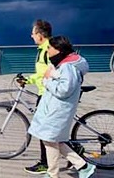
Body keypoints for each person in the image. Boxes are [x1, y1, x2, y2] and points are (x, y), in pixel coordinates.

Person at [28, 36, 96, 178]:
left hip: (58, 109)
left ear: (58, 49)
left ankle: (55, 173)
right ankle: (82, 166)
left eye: (49, 48)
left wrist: (47, 80)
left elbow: (64, 90)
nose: (47, 50)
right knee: (51, 140)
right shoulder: (63, 63)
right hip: (56, 108)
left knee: (50, 139)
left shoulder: (67, 66)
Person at [24, 19, 53, 175]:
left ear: (40, 35)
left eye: (33, 33)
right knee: (49, 128)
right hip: (45, 92)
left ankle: (45, 163)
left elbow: (49, 73)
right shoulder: (44, 49)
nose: (31, 35)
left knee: (43, 130)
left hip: (48, 94)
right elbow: (43, 73)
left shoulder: (48, 50)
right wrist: (30, 79)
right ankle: (74, 151)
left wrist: (29, 79)